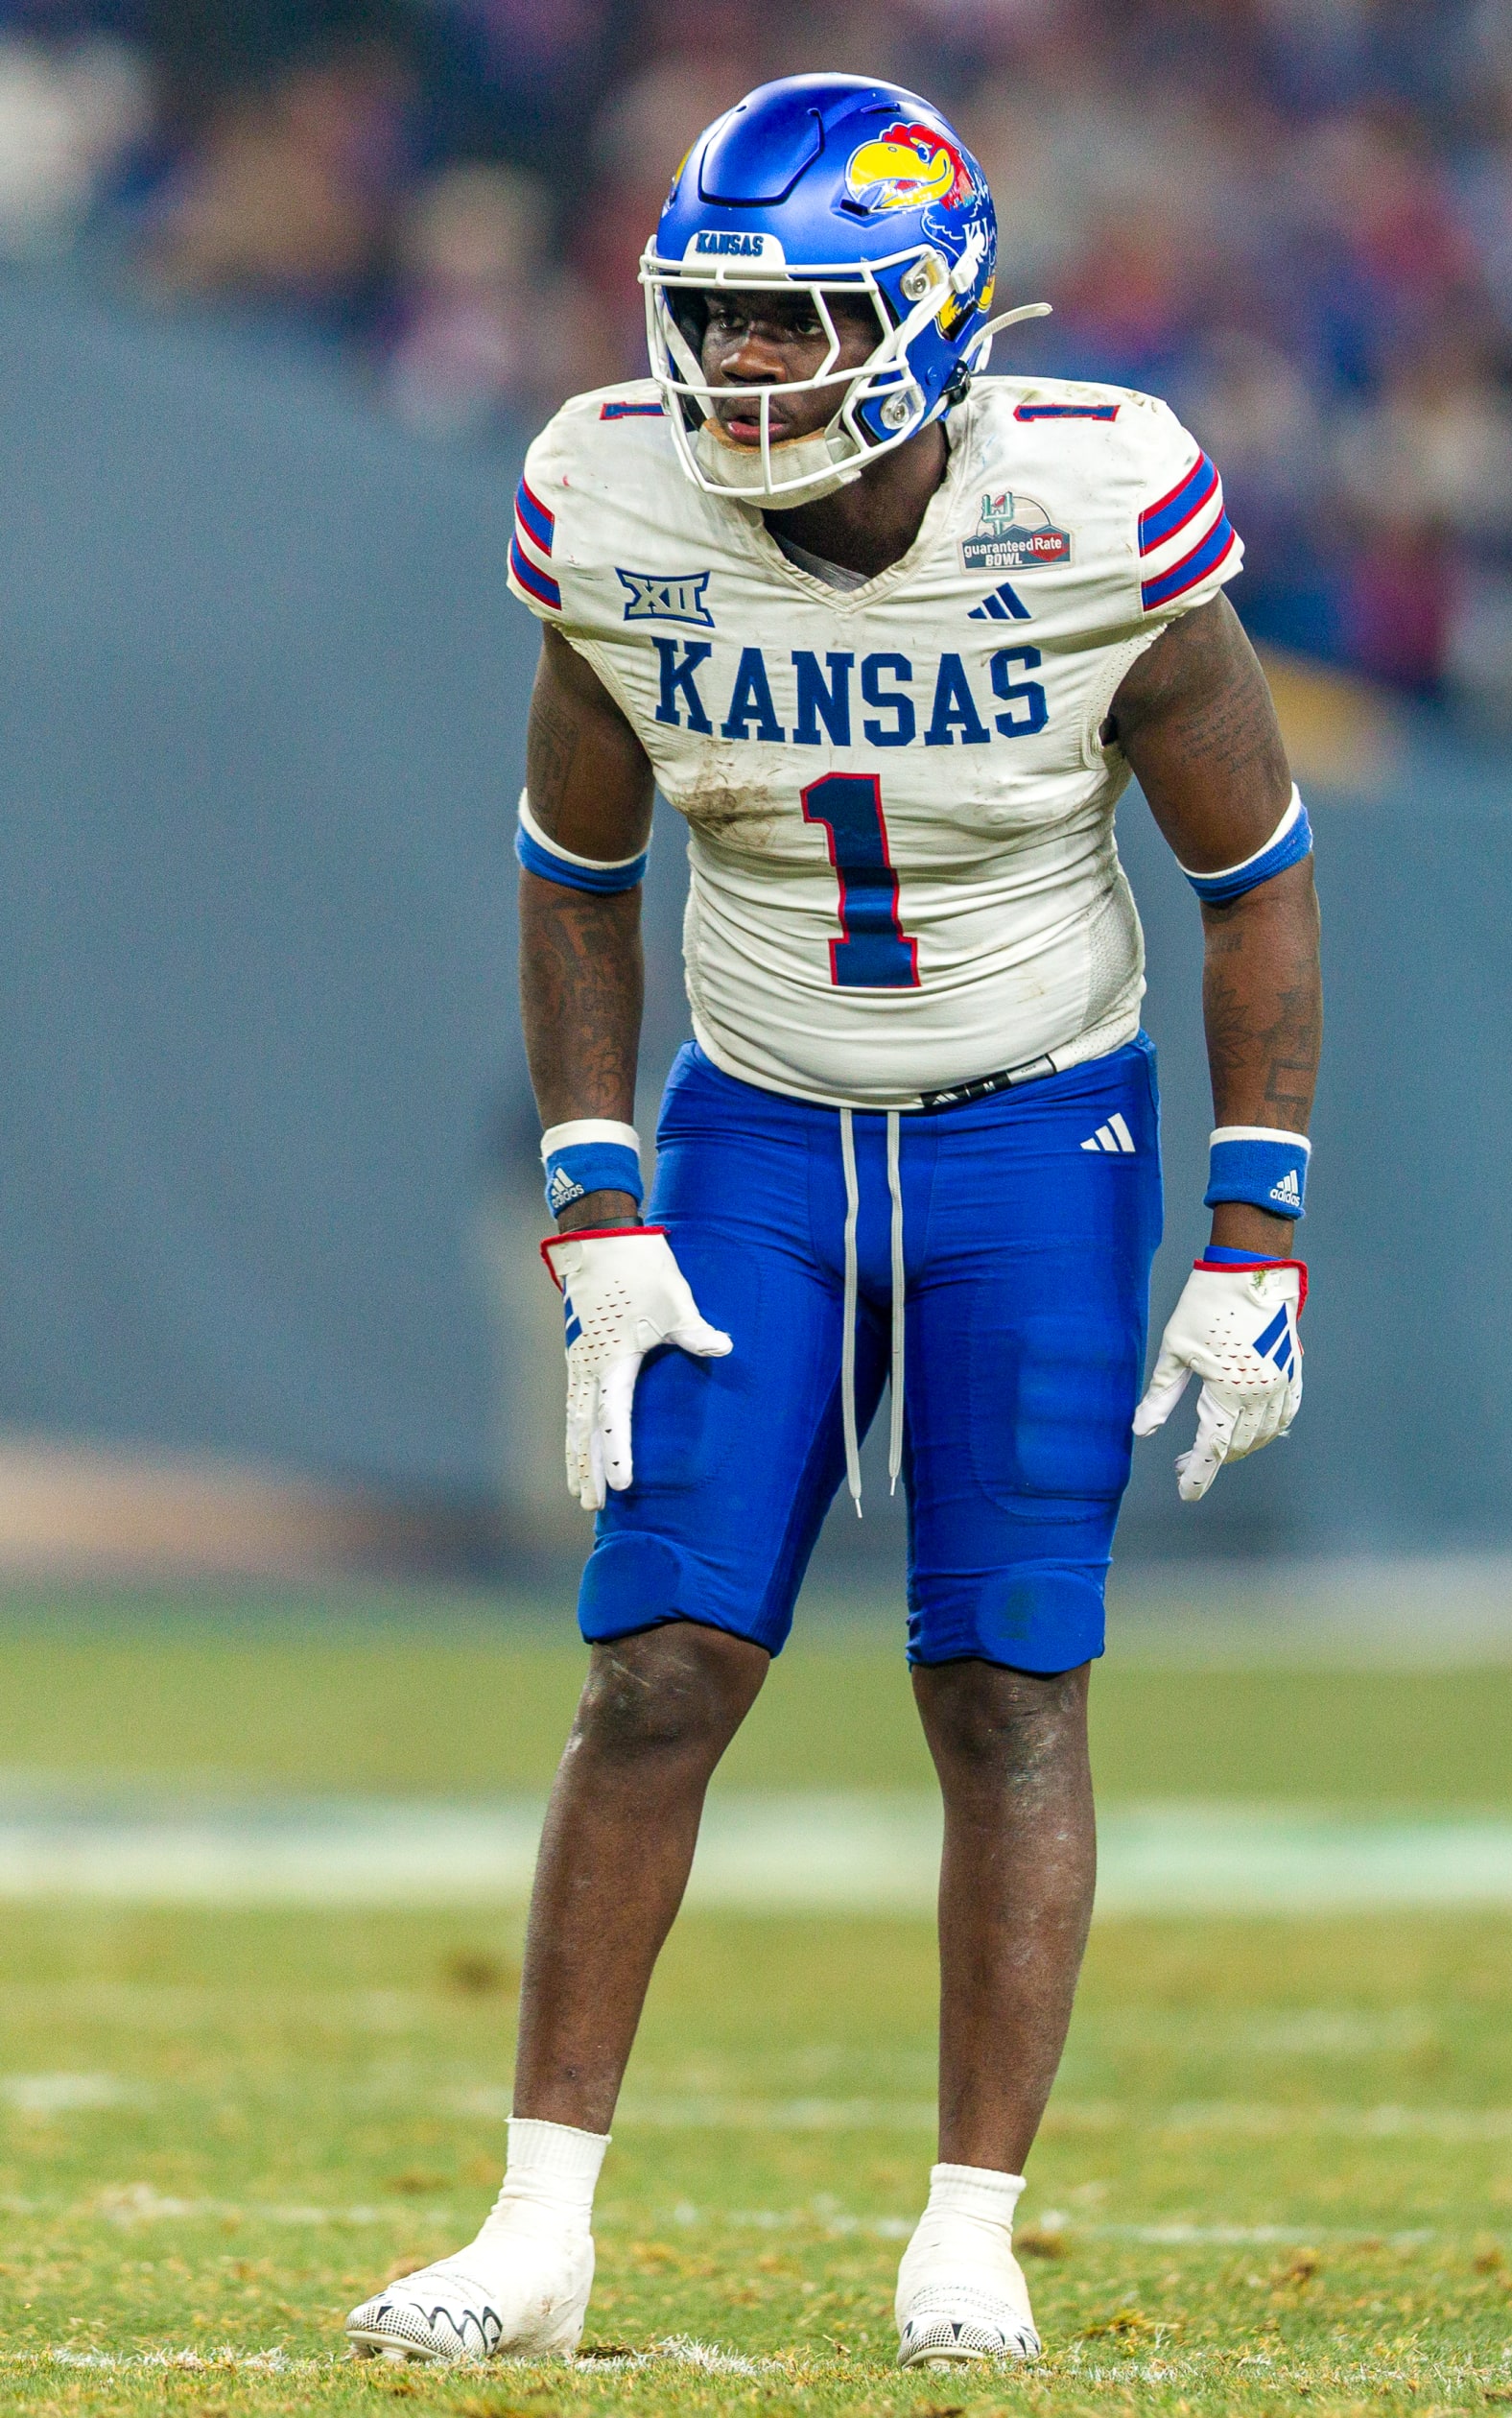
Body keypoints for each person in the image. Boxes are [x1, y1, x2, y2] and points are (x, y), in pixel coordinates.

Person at [347, 72, 1321, 2371]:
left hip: (1035, 1135)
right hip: (759, 1134)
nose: (747, 367)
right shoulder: (614, 501)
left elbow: (1256, 878)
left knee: (1008, 1681)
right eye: (720, 318)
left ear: (937, 320)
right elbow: (576, 870)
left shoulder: (1096, 503)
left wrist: (1256, 1228)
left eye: (799, 322)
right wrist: (597, 1193)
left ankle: (970, 2233)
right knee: (655, 1665)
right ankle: (537, 2234)